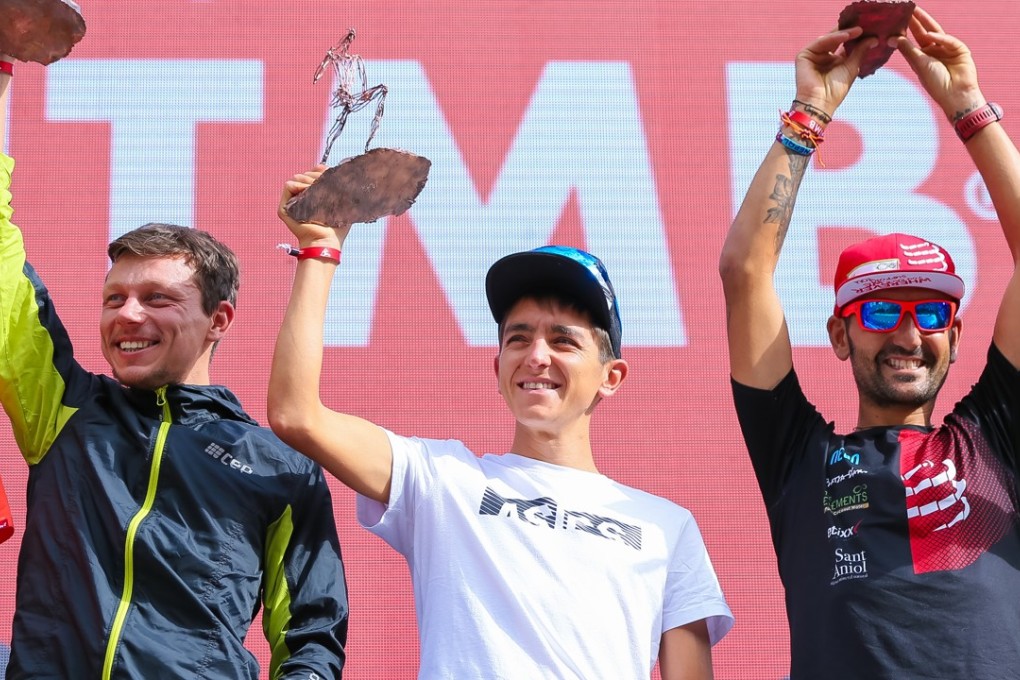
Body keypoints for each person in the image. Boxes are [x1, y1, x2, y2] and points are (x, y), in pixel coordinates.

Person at [268, 172, 734, 678]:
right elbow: (297, 414)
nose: (536, 356)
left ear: (611, 376)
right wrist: (320, 250)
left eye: (563, 340)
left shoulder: (666, 527)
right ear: (498, 370)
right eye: (518, 339)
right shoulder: (441, 479)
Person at [0, 56, 348, 678]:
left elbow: (310, 641)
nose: (128, 315)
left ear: (219, 320)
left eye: (158, 298)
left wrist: (318, 245)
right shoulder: (64, 412)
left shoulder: (281, 471)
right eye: (115, 299)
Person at [720, 7, 1020, 678]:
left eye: (931, 314)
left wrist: (968, 106)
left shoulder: (996, 441)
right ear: (839, 333)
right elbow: (745, 272)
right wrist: (809, 113)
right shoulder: (799, 458)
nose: (910, 335)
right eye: (881, 312)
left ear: (956, 333)